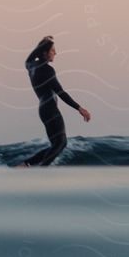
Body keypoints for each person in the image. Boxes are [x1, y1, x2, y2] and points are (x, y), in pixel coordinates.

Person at [18, 35, 90, 167]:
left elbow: (30, 57)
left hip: (43, 110)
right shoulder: (48, 70)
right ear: (45, 53)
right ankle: (42, 169)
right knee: (61, 143)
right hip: (51, 109)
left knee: (55, 145)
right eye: (52, 50)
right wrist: (79, 108)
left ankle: (26, 164)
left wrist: (42, 43)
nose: (55, 53)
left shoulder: (31, 66)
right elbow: (61, 92)